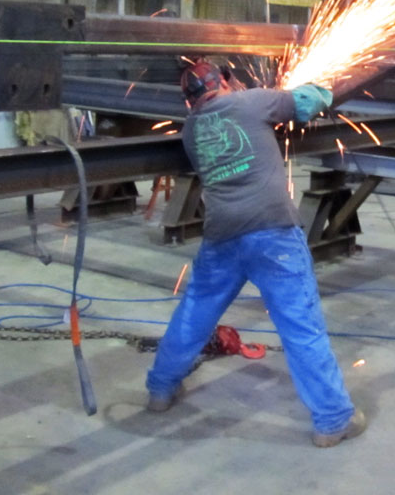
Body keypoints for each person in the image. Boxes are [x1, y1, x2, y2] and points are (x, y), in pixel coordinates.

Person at [145, 59, 366, 448]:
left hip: (222, 236)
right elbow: (306, 102)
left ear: (189, 102)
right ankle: (333, 419)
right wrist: (324, 85)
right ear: (225, 82)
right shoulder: (250, 101)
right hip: (272, 234)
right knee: (300, 326)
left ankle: (160, 389)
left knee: (194, 312)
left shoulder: (190, 131)